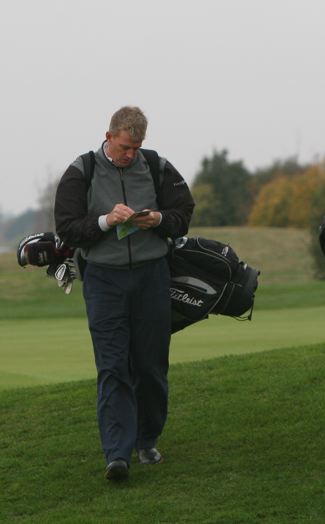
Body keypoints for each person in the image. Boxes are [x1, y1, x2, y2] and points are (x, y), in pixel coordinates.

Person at [54, 106, 195, 481]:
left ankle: (147, 439)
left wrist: (160, 220)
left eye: (136, 147)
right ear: (108, 137)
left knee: (150, 365)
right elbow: (67, 229)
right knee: (113, 366)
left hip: (151, 275)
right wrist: (105, 221)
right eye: (124, 147)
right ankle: (117, 454)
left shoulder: (156, 166)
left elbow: (184, 210)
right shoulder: (81, 171)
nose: (129, 155)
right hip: (104, 279)